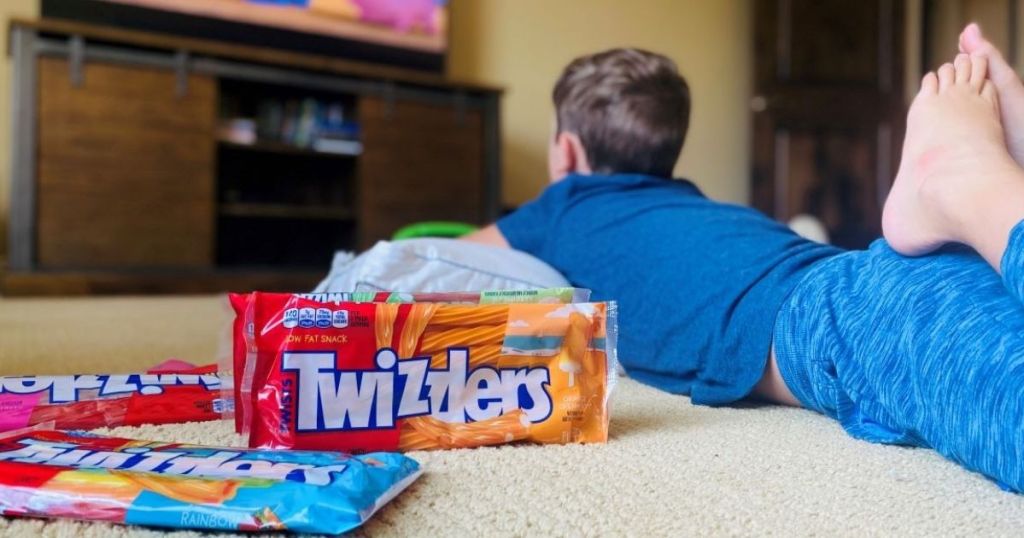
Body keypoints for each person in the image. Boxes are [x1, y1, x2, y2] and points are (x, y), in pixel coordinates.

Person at [465, 25, 1024, 492]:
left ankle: (976, 185)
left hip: (838, 318)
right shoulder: (700, 204)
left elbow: (451, 256)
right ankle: (998, 200)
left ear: (565, 152)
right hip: (854, 275)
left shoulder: (562, 204)